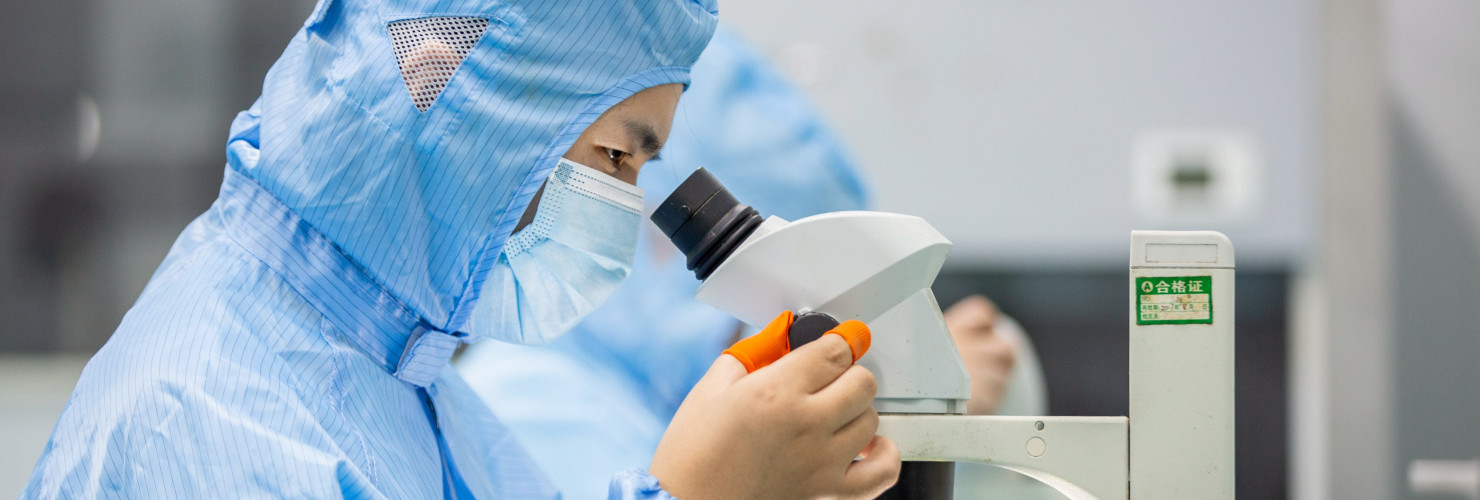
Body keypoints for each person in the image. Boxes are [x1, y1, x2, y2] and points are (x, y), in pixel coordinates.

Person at [23, 2, 900, 499]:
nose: (627, 211)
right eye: (618, 157)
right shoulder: (204, 420)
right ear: (474, 112)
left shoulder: (406, 385)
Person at [459, 28, 1043, 500]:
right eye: (800, 313)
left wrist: (918, 404)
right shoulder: (522, 408)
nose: (815, 343)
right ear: (659, 243)